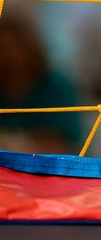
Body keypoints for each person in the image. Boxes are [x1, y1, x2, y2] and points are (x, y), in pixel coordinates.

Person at [0, 12, 86, 154]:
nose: (6, 56)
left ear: (28, 48)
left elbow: (67, 145)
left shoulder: (56, 87)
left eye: (11, 47)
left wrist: (18, 142)